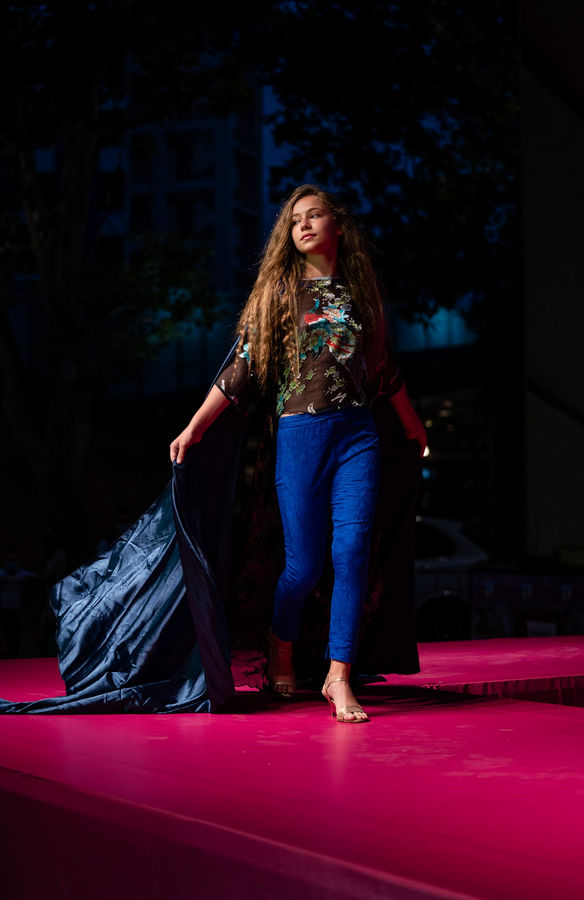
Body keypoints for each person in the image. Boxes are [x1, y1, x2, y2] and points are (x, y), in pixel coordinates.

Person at [169, 185, 426, 723]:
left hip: (358, 435)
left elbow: (382, 367)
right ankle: (280, 640)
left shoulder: (360, 294)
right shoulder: (280, 293)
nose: (303, 225)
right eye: (294, 220)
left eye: (315, 215)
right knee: (304, 566)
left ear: (338, 227)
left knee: (352, 553)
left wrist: (412, 425)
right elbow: (242, 365)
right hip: (301, 435)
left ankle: (339, 676)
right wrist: (194, 427)